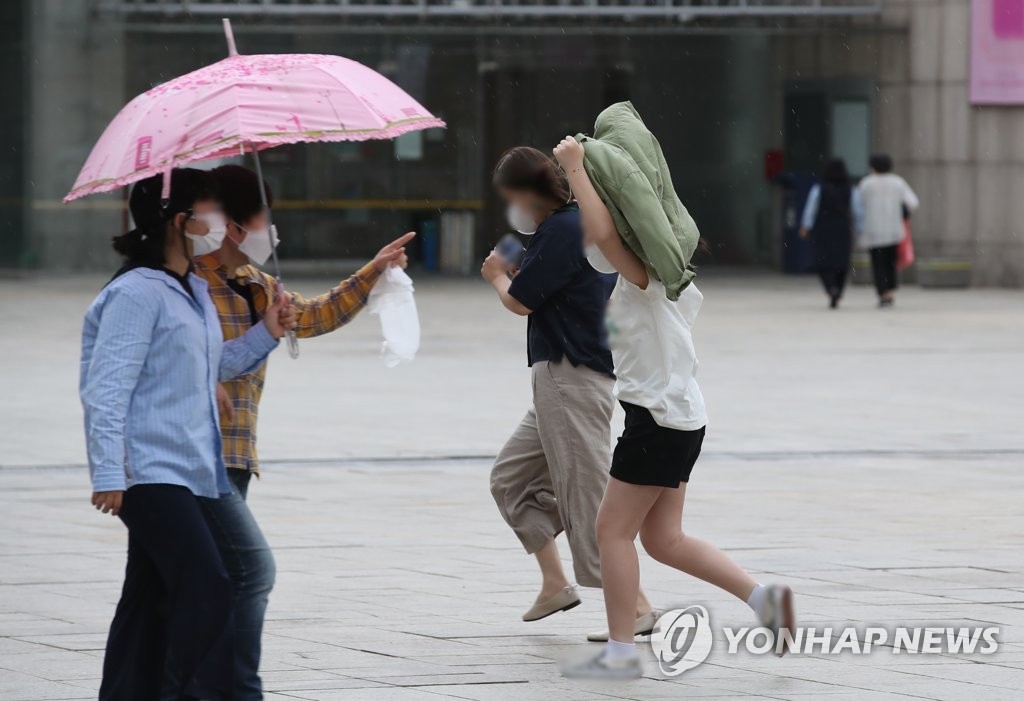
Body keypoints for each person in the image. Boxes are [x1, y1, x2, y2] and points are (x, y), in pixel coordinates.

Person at [553, 136, 795, 679]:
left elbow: (602, 232)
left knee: (610, 532)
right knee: (663, 540)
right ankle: (763, 600)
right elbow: (611, 233)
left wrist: (574, 168)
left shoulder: (646, 281)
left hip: (657, 421)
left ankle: (619, 653)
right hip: (679, 418)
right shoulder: (675, 280)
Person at [190, 164, 414, 699]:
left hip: (236, 455)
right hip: (197, 457)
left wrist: (373, 272)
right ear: (237, 227)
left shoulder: (257, 284)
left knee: (213, 580)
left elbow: (313, 316)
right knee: (249, 570)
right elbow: (198, 364)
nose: (275, 234)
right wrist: (266, 332)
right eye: (267, 219)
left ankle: (199, 683)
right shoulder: (192, 285)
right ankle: (235, 687)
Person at [80, 168, 295, 700]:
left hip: (193, 470)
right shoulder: (136, 293)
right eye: (211, 211)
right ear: (181, 222)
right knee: (209, 586)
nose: (218, 222)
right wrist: (109, 471)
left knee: (147, 605)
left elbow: (211, 364)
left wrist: (266, 332)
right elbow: (106, 389)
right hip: (148, 472)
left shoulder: (192, 290)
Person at [481, 146, 654, 639]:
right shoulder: (569, 226)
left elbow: (519, 303)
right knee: (510, 479)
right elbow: (554, 289)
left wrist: (496, 276)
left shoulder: (562, 228)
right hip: (565, 377)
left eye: (511, 196)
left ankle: (636, 605)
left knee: (586, 496)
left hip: (569, 375)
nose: (511, 207)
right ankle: (555, 582)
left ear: (526, 193)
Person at [799, 158, 864, 308]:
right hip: (842, 228)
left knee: (822, 261)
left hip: (823, 228)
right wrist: (860, 228)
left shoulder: (819, 189)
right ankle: (839, 289)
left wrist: (805, 226)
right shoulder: (851, 190)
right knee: (841, 262)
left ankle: (830, 287)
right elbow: (858, 211)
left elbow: (811, 209)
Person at [857, 154, 919, 308]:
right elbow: (913, 202)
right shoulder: (898, 182)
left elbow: (859, 204)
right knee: (890, 263)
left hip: (873, 229)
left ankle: (882, 293)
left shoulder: (866, 183)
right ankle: (890, 291)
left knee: (878, 264)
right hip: (894, 230)